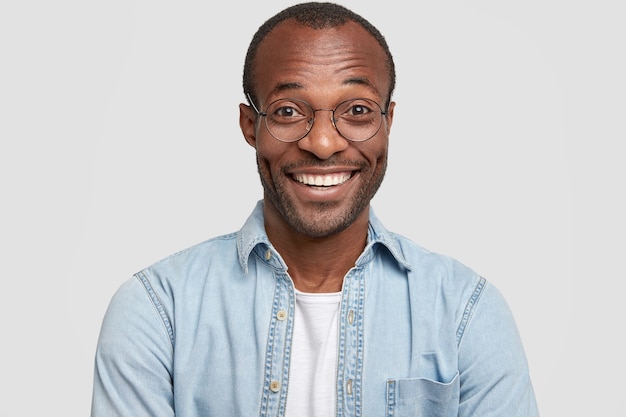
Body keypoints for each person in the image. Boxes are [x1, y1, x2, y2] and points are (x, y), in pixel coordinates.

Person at [91, 2, 540, 416]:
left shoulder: (466, 311)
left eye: (358, 110)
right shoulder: (157, 310)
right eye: (288, 111)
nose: (323, 144)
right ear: (251, 125)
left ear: (388, 122)